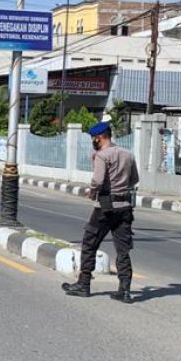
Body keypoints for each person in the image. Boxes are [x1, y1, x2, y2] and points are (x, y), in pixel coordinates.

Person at [62, 121, 139, 304]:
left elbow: (97, 180)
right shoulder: (128, 155)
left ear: (100, 137)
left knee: (89, 243)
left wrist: (92, 192)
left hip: (105, 207)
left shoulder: (102, 156)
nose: (92, 141)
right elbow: (134, 179)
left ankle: (84, 284)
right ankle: (125, 290)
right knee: (123, 249)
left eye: (93, 138)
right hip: (125, 207)